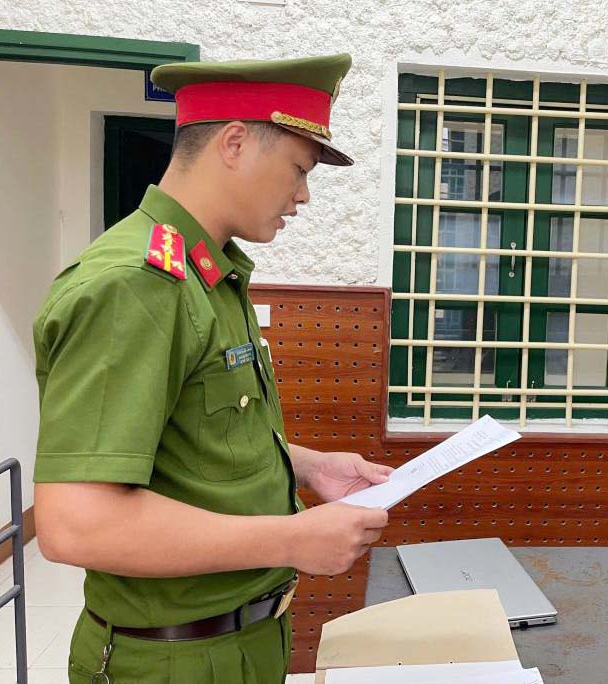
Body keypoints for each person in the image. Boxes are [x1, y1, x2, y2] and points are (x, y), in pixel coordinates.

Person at [32, 54, 391, 684]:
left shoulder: (207, 274)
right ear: (233, 142)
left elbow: (194, 439)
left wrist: (307, 466)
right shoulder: (136, 286)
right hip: (171, 659)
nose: (303, 195)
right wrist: (291, 539)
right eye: (299, 169)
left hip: (238, 644)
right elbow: (75, 524)